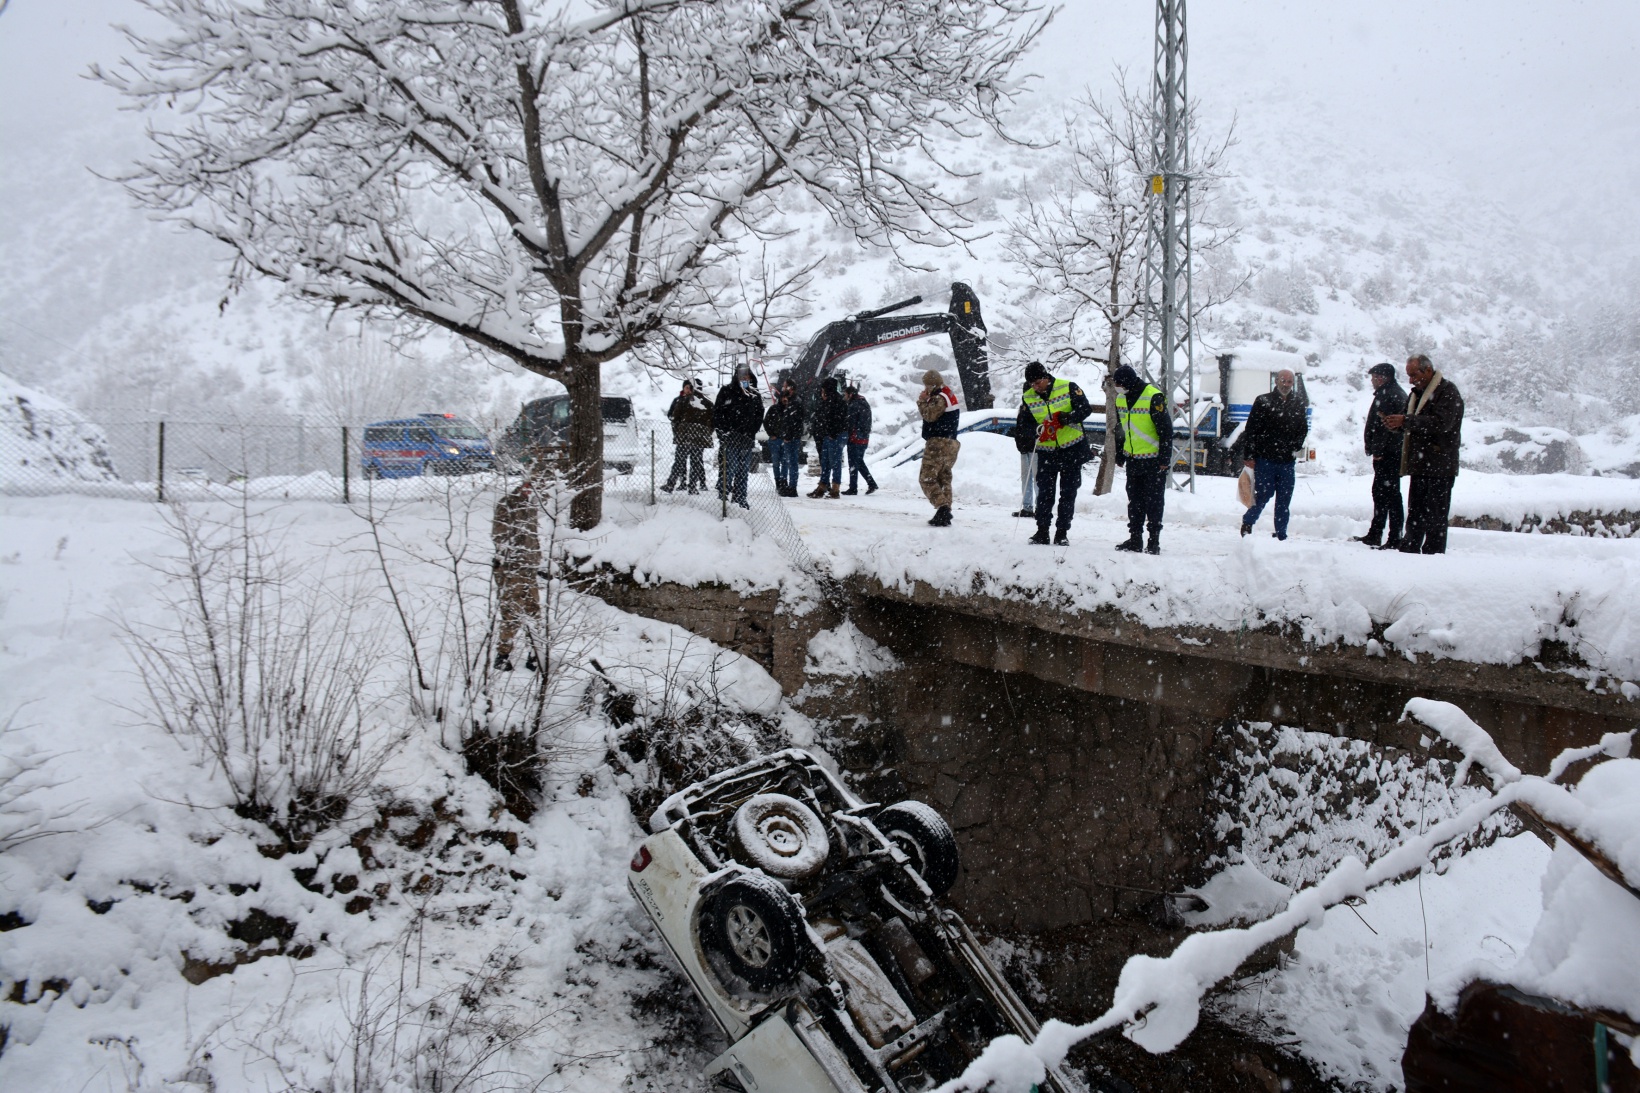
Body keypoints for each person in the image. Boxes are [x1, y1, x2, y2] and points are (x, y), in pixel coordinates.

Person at [1381, 353, 1464, 554]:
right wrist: (1395, 424)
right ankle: (1410, 550)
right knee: (1416, 514)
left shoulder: (1448, 392)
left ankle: (1432, 556)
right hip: (1420, 465)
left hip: (1440, 467)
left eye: (1414, 374)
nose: (1411, 380)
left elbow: (1442, 423)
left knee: (1436, 517)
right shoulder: (1416, 394)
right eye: (1408, 376)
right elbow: (1411, 422)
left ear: (1428, 370)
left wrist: (1406, 421)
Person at [1015, 361, 1094, 545]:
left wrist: (1067, 418)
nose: (1035, 387)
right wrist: (1038, 429)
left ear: (1046, 377)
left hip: (1071, 449)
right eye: (1032, 384)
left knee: (1068, 493)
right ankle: (1042, 531)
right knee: (1045, 493)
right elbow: (1023, 425)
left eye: (1037, 382)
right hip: (1047, 452)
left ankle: (1062, 532)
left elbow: (1085, 409)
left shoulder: (1068, 387)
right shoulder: (1028, 397)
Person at [1239, 369, 1309, 541]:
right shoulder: (1263, 401)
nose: (1286, 385)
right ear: (1276, 381)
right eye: (1283, 381)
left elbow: (1303, 429)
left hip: (1287, 461)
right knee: (1264, 495)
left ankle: (1281, 534)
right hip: (1266, 459)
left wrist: (1295, 446)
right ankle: (1248, 522)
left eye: (1289, 382)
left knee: (1284, 500)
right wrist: (1249, 455)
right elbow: (1252, 429)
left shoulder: (1298, 403)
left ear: (1293, 383)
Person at [1111, 365, 1173, 554]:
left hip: (1153, 460)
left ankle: (1153, 542)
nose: (1117, 387)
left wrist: (1164, 457)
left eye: (1120, 384)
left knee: (1154, 502)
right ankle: (1135, 539)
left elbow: (1165, 430)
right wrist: (1120, 453)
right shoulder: (1121, 399)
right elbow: (1121, 427)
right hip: (1133, 459)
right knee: (1135, 501)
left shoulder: (1153, 396)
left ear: (1128, 382)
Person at [491, 477, 540, 671]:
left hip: (529, 569)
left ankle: (534, 654)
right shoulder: (508, 504)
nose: (531, 491)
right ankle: (503, 655)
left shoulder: (531, 506)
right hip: (511, 570)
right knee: (511, 613)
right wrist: (512, 560)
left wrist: (536, 560)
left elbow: (533, 538)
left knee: (534, 612)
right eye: (528, 486)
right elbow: (499, 536)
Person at [1356, 362, 1407, 548]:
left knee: (1388, 495)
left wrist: (1378, 451)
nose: (1372, 381)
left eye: (1373, 377)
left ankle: (1392, 537)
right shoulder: (1391, 393)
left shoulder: (1389, 395)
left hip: (1388, 455)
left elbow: (1385, 427)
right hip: (1390, 454)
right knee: (1384, 494)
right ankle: (1379, 534)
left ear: (1381, 377)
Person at [713, 364, 763, 509]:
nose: (744, 378)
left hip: (746, 440)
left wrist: (752, 431)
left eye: (747, 375)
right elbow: (717, 413)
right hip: (730, 439)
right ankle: (722, 499)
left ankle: (740, 499)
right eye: (742, 375)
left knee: (743, 472)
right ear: (737, 376)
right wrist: (723, 432)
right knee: (728, 469)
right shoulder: (726, 391)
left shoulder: (754, 394)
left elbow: (760, 414)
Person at [917, 369, 960, 526]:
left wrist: (922, 401)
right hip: (951, 443)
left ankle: (942, 507)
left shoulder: (939, 398)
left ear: (931, 384)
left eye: (926, 386)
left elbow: (929, 415)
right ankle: (945, 513)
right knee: (943, 477)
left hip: (938, 443)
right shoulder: (948, 395)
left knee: (926, 478)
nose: (924, 389)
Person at [661, 378, 713, 494]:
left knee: (679, 461)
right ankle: (692, 487)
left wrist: (679, 430)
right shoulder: (707, 403)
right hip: (699, 438)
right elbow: (712, 422)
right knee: (695, 462)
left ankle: (671, 484)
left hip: (685, 437)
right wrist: (705, 433)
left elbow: (675, 418)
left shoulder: (683, 401)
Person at [808, 377, 849, 498]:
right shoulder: (831, 401)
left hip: (833, 435)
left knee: (833, 462)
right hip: (828, 435)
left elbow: (837, 420)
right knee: (826, 461)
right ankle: (823, 486)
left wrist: (831, 433)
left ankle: (834, 489)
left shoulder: (835, 402)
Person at [763, 380, 805, 497]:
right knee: (777, 463)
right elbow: (767, 422)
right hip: (777, 439)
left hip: (786, 438)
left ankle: (784, 483)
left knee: (787, 462)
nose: (784, 400)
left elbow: (793, 423)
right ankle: (780, 483)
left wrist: (787, 435)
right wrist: (772, 434)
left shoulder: (793, 406)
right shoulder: (775, 409)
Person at [842, 384, 878, 495]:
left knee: (853, 463)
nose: (844, 397)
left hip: (855, 438)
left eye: (845, 395)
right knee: (858, 462)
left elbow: (850, 423)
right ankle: (871, 483)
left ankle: (853, 488)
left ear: (850, 394)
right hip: (864, 438)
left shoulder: (853, 405)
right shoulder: (864, 403)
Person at [1014, 376, 1038, 518]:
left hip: (1035, 446)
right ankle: (1027, 506)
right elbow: (1019, 427)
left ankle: (1038, 506)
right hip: (1024, 446)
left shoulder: (1037, 407)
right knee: (1026, 478)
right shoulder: (1023, 408)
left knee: (1037, 478)